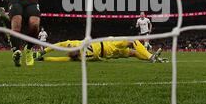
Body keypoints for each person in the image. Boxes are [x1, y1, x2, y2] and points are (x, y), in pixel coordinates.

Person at [36, 39, 167, 63]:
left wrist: (43, 52)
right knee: (132, 53)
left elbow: (57, 44)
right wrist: (44, 59)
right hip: (110, 54)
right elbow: (59, 59)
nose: (71, 49)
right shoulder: (76, 58)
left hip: (109, 44)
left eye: (70, 48)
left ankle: (150, 57)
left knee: (132, 41)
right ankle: (151, 58)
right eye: (70, 51)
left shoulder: (74, 43)